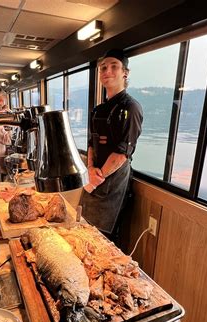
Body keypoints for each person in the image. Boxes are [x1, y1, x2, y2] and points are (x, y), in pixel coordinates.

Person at [80, 49, 143, 242]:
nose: (107, 71)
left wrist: (97, 178)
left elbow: (123, 153)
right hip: (94, 175)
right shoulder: (98, 109)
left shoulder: (131, 107)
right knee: (84, 229)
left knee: (102, 239)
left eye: (113, 66)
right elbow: (91, 143)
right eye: (103, 68)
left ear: (125, 73)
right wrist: (90, 169)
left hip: (114, 179)